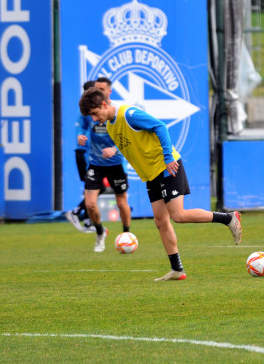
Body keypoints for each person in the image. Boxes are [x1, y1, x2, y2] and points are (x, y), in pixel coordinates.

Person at [79, 87, 242, 281]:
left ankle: (228, 218)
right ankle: (177, 269)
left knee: (178, 216)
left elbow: (160, 127)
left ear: (104, 104)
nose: (94, 119)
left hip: (167, 167)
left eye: (95, 113)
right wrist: (116, 151)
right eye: (91, 116)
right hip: (152, 175)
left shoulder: (129, 114)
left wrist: (167, 157)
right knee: (160, 221)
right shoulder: (111, 126)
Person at [83, 77, 133, 252]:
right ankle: (100, 232)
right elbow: (82, 126)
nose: (98, 91)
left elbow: (127, 137)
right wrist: (81, 136)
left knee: (121, 202)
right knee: (90, 203)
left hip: (116, 163)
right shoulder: (92, 112)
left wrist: (114, 149)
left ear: (109, 91)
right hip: (95, 163)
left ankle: (127, 235)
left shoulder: (117, 112)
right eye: (96, 88)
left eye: (102, 88)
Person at [65, 80, 96, 233]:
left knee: (93, 188)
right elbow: (81, 133)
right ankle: (76, 212)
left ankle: (88, 221)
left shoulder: (90, 109)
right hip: (83, 154)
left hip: (88, 154)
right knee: (94, 188)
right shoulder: (85, 111)